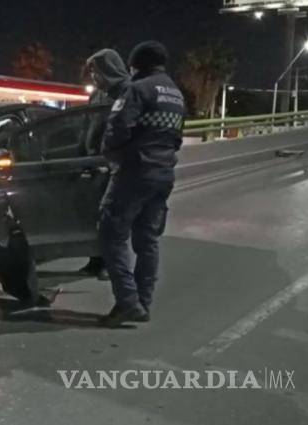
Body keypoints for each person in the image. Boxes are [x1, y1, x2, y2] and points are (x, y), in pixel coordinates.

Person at [97, 41, 185, 327]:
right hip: (164, 173)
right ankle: (143, 303)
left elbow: (117, 129)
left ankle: (128, 302)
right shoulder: (176, 94)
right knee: (147, 241)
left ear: (136, 65)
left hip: (135, 172)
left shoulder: (137, 89)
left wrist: (113, 157)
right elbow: (177, 138)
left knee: (111, 234)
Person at [78, 49, 131, 281]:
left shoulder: (128, 92)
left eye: (97, 71)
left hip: (114, 166)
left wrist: (114, 161)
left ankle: (113, 264)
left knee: (113, 219)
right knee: (93, 215)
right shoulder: (98, 94)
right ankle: (96, 259)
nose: (94, 76)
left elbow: (127, 131)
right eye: (91, 72)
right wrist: (81, 156)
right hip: (93, 164)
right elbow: (86, 125)